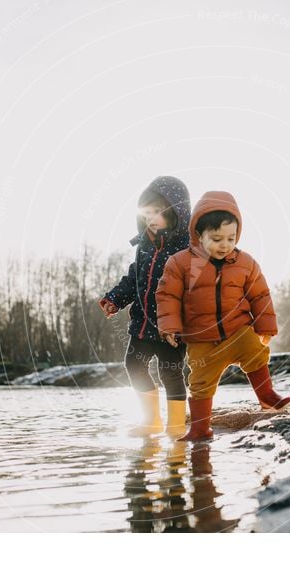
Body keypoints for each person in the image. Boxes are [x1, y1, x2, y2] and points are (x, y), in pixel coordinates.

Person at [155, 191, 290, 442]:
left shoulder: (246, 263)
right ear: (199, 234)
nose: (224, 244)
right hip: (202, 338)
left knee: (256, 353)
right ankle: (200, 428)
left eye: (231, 238)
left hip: (238, 329)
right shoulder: (180, 263)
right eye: (216, 238)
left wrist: (265, 327)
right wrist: (169, 327)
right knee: (200, 383)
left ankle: (268, 397)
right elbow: (167, 296)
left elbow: (260, 295)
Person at [99, 176, 191, 436]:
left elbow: (193, 288)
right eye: (147, 212)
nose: (151, 218)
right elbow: (133, 278)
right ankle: (151, 420)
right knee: (134, 365)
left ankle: (175, 425)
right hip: (141, 322)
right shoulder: (144, 245)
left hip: (171, 325)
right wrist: (114, 299)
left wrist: (181, 323)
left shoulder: (186, 248)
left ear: (176, 212)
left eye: (158, 213)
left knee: (170, 373)